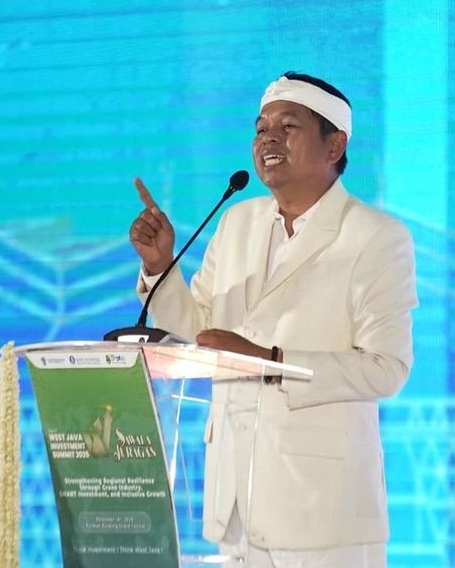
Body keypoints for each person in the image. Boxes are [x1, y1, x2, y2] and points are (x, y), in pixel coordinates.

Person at [128, 72, 417, 567]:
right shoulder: (236, 222)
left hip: (323, 510)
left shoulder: (375, 236)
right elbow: (200, 331)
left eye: (288, 126)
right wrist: (161, 267)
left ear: (334, 145)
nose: (268, 139)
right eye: (261, 129)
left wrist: (269, 360)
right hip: (235, 502)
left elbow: (385, 367)